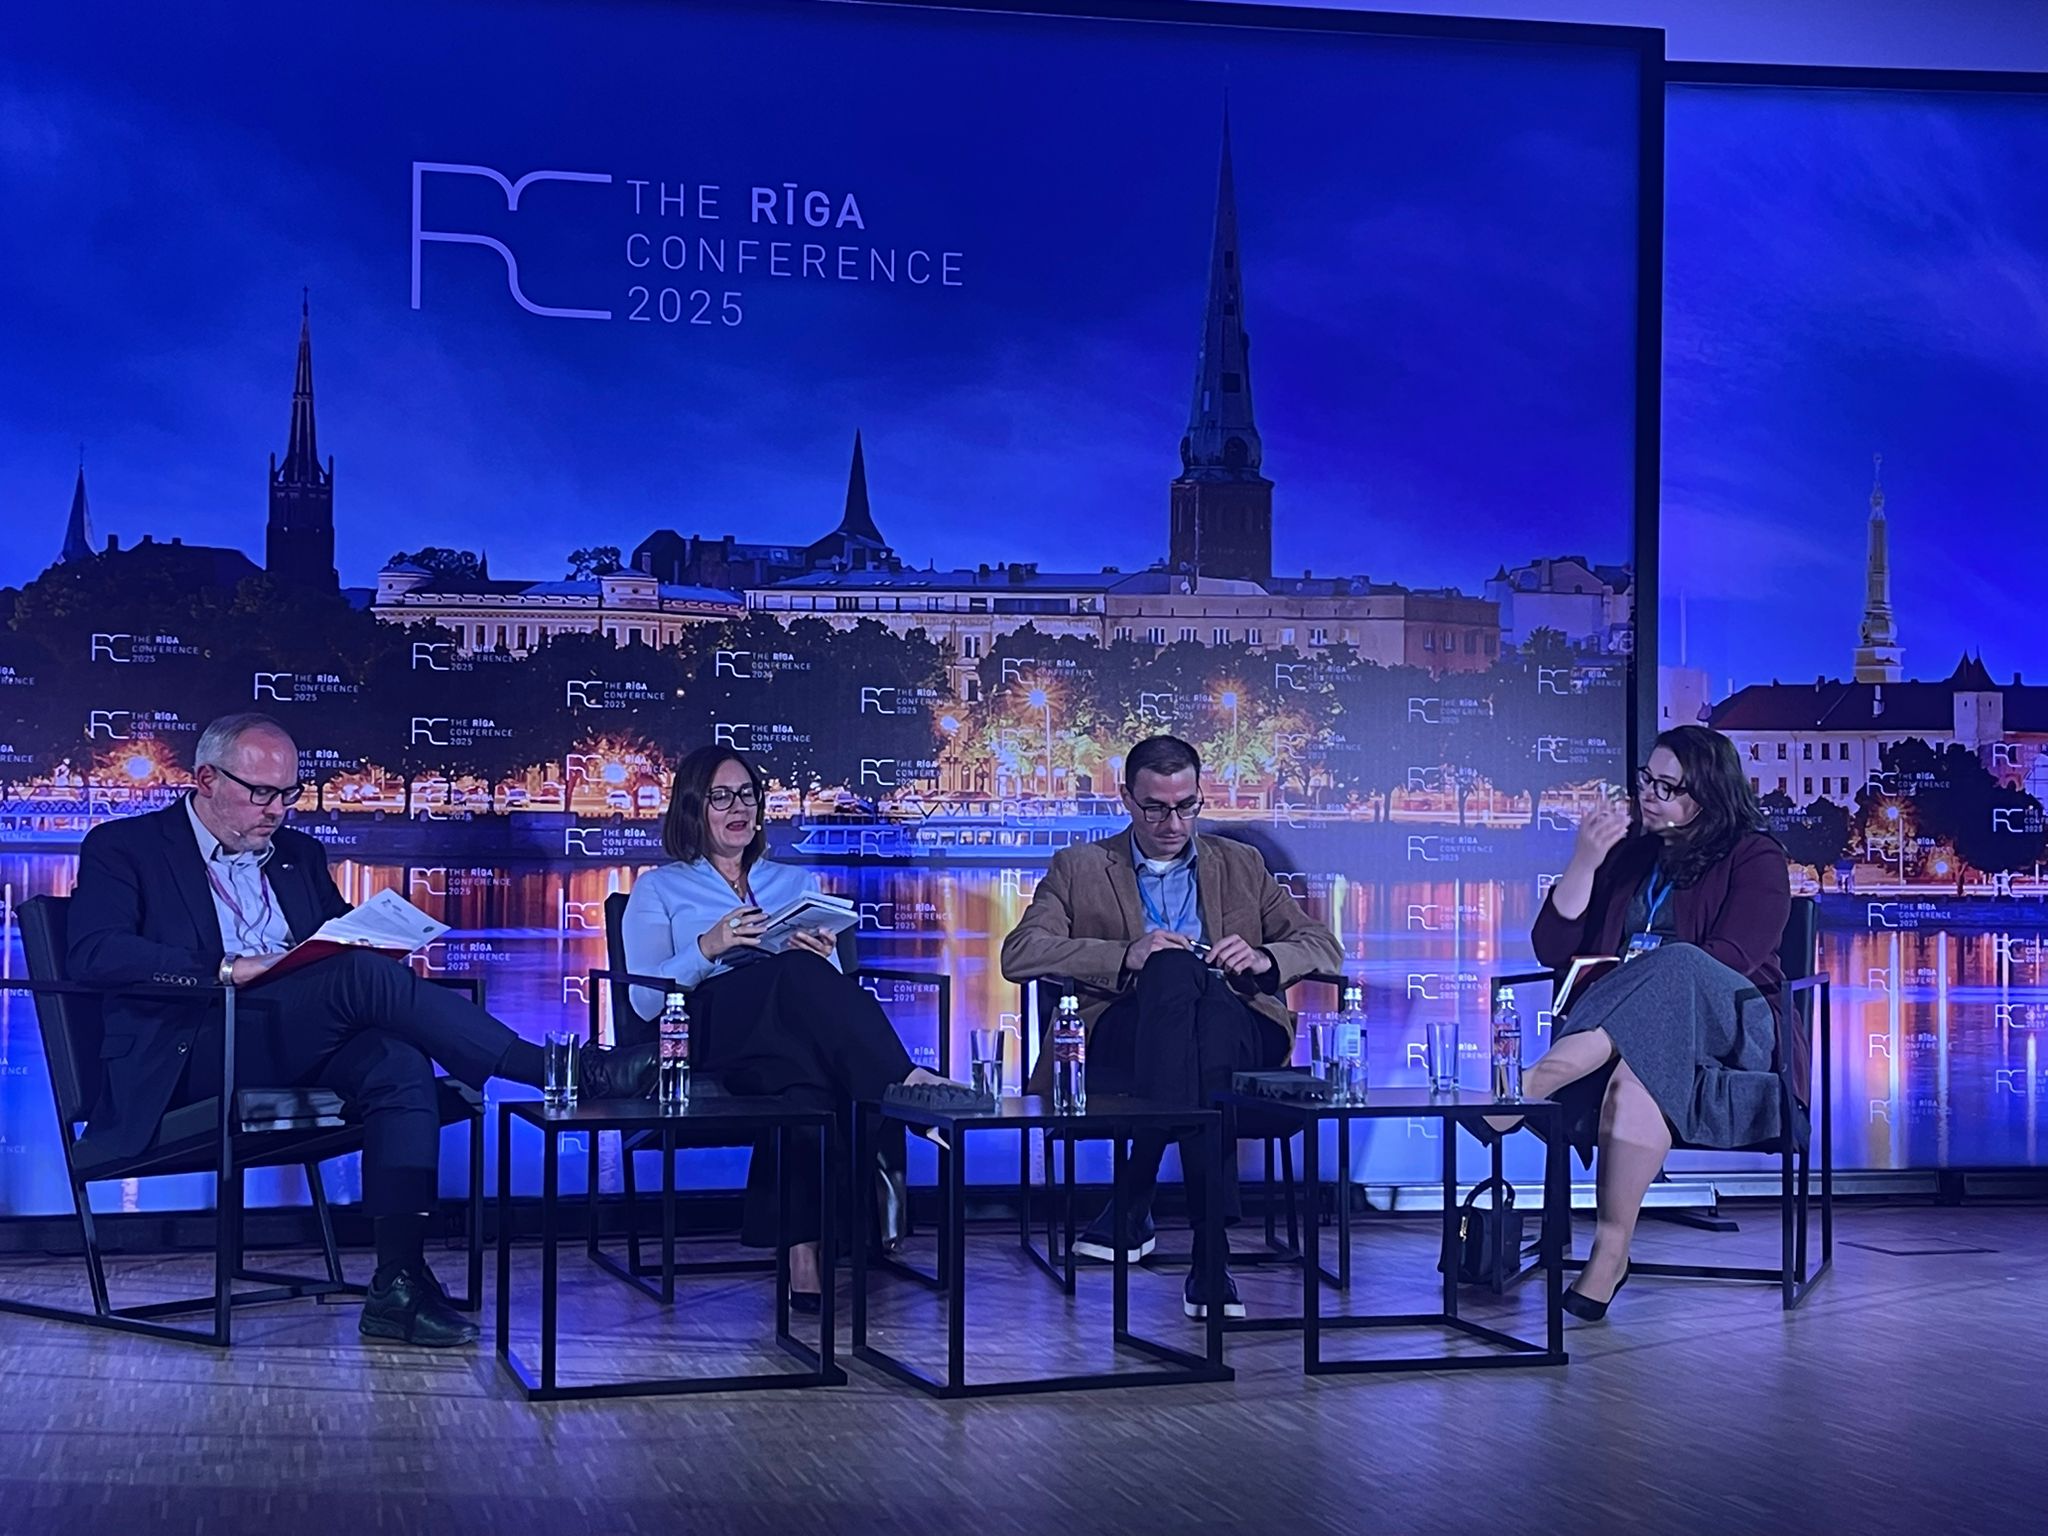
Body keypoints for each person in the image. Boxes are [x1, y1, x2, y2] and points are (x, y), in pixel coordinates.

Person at [66, 713, 656, 1349]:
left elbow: (338, 939)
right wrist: (231, 967)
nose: (277, 810)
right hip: (193, 1050)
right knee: (358, 978)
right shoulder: (125, 846)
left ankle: (396, 1286)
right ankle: (565, 1071)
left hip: (290, 1039)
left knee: (396, 1062)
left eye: (289, 794)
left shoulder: (297, 855)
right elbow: (95, 953)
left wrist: (382, 938)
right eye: (260, 793)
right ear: (206, 779)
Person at [1000, 734, 1344, 1320]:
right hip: (1123, 1037)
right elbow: (1020, 952)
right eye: (1156, 808)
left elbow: (1323, 946)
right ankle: (1210, 1253)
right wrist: (1125, 955)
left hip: (1240, 1028)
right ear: (1126, 799)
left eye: (1187, 806)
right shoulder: (1080, 867)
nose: (1174, 823)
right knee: (1172, 973)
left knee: (1205, 1000)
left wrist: (1264, 958)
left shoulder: (1240, 864)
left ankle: (1136, 1193)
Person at [621, 745, 958, 1311]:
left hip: (784, 1035)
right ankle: (904, 1084)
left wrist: (822, 955)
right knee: (795, 982)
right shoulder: (660, 887)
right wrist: (709, 946)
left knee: (807, 1077)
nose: (739, 808)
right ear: (693, 808)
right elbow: (644, 999)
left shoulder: (792, 880)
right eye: (720, 797)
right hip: (704, 1026)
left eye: (747, 795)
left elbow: (828, 991)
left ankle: (804, 1257)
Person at [1504, 724, 1792, 1322]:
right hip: (1634, 1038)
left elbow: (1733, 958)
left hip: (1729, 1025)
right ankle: (1611, 1253)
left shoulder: (1755, 855)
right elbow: (1551, 949)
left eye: (1668, 786)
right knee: (1636, 1078)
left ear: (1708, 794)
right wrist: (1585, 861)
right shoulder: (1631, 853)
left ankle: (1532, 1084)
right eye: (1646, 780)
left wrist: (1646, 970)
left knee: (1678, 962)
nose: (1649, 796)